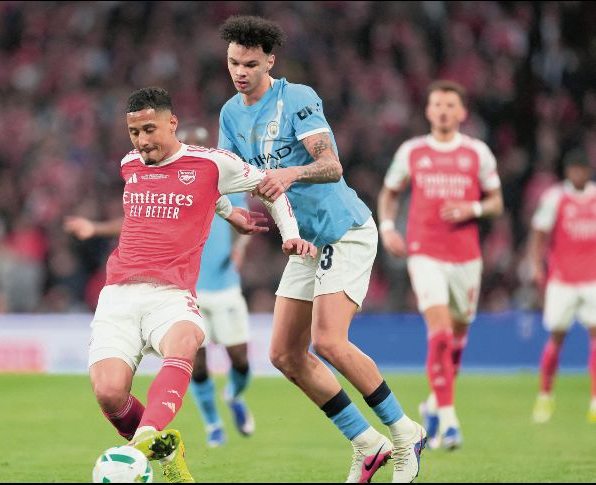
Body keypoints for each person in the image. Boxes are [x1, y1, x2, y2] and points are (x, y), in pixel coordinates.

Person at [217, 15, 425, 483]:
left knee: (328, 340)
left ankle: (403, 432)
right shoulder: (230, 113)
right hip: (304, 242)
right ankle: (366, 444)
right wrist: (230, 211)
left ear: (270, 60)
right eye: (233, 62)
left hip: (345, 230)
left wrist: (291, 173)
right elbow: (229, 173)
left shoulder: (298, 98)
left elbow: (331, 164)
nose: (240, 72)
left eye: (250, 63)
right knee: (285, 355)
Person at [78, 86, 316, 483]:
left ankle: (146, 441)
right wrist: (227, 212)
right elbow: (195, 196)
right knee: (108, 394)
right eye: (134, 133)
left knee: (186, 339)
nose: (142, 141)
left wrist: (288, 234)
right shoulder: (129, 164)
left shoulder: (212, 163)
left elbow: (271, 189)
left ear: (172, 124)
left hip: (171, 295)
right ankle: (165, 452)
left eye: (150, 130)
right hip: (118, 294)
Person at [65, 125, 257, 448]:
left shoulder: (217, 178)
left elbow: (238, 218)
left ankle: (234, 395)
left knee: (239, 357)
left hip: (222, 284)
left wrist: (238, 251)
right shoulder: (154, 175)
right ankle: (212, 426)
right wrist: (96, 228)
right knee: (195, 362)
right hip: (177, 287)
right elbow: (134, 218)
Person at [378, 80, 504, 450]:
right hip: (424, 251)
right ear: (428, 110)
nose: (444, 110)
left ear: (462, 112)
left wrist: (474, 208)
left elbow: (496, 200)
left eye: (451, 105)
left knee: (458, 338)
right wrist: (387, 228)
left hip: (466, 255)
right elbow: (389, 192)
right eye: (437, 104)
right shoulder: (413, 151)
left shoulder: (477, 153)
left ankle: (433, 403)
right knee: (441, 332)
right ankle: (448, 423)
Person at [529, 148, 596, 424]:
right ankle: (545, 396)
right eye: (574, 169)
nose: (578, 173)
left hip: (592, 280)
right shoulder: (555, 198)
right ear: (568, 172)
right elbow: (539, 233)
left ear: (587, 171)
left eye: (582, 169)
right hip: (562, 280)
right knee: (557, 336)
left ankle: (595, 401)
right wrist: (535, 264)